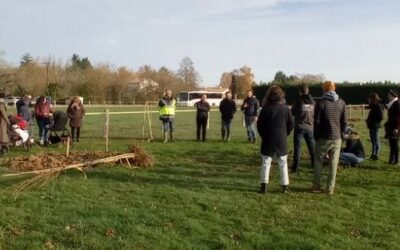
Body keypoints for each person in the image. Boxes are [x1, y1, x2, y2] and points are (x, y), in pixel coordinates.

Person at [257, 85, 294, 194]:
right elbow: (291, 125)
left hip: (268, 138)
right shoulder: (286, 109)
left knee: (266, 162)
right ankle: (285, 186)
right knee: (283, 162)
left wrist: (264, 136)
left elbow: (259, 126)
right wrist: (284, 134)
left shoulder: (265, 109)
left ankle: (264, 186)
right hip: (281, 139)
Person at [312, 81, 347, 195]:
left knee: (318, 162)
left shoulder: (321, 103)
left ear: (324, 89)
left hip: (323, 137)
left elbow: (316, 122)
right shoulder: (342, 103)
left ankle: (316, 186)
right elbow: (344, 122)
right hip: (337, 138)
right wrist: (342, 134)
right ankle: (330, 188)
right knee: (333, 164)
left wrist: (316, 135)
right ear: (334, 89)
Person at [290, 84, 316, 173]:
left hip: (299, 127)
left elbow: (292, 112)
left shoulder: (298, 101)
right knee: (312, 148)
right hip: (310, 128)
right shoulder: (313, 102)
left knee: (297, 148)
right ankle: (314, 165)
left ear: (300, 92)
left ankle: (295, 168)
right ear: (308, 91)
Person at [366, 93, 385, 161]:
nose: (370, 101)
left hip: (375, 126)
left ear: (373, 99)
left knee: (376, 141)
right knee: (373, 141)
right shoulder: (375, 105)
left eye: (371, 99)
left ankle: (376, 155)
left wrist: (374, 121)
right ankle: (373, 154)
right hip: (372, 126)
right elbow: (371, 106)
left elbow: (381, 117)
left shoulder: (378, 106)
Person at [384, 89, 400, 165]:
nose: (388, 96)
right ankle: (391, 160)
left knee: (395, 144)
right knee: (391, 144)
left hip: (395, 127)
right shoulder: (391, 104)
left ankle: (396, 160)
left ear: (393, 96)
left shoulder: (397, 104)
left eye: (389, 95)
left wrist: (397, 128)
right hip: (391, 126)